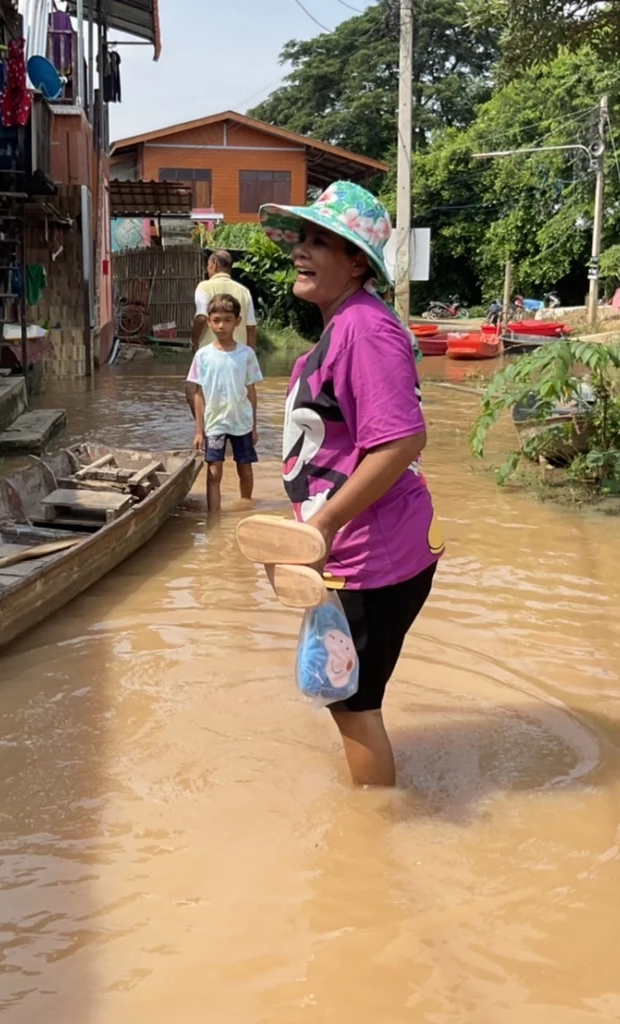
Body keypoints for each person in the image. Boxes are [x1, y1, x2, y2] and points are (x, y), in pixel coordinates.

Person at [236, 181, 444, 788]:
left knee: (354, 705)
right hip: (346, 550)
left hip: (374, 556)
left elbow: (403, 441)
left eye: (321, 241)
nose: (302, 251)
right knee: (341, 694)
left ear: (357, 261)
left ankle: (373, 845)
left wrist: (321, 526)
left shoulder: (365, 330)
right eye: (302, 238)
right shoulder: (340, 328)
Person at [187, 293, 263, 513]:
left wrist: (254, 427)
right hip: (214, 422)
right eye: (216, 320)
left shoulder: (246, 354)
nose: (222, 326)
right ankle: (213, 518)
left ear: (237, 322)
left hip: (241, 421)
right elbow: (198, 394)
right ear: (209, 322)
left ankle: (246, 508)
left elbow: (251, 391)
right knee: (214, 472)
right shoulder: (203, 356)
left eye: (227, 320)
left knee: (245, 469)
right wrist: (199, 431)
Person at [187, 250, 257, 420]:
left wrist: (194, 341)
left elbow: (202, 317)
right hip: (238, 354)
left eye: (208, 266)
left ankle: (203, 431)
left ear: (215, 265)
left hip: (211, 353)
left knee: (193, 391)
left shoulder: (204, 286)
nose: (207, 269)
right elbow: (251, 328)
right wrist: (249, 357)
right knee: (237, 396)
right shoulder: (244, 291)